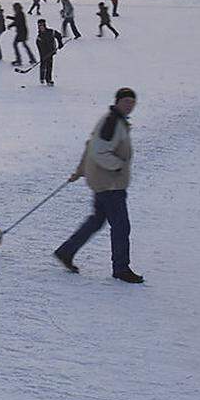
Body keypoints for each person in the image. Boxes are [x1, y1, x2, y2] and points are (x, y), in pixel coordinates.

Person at [54, 88, 143, 284]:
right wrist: (118, 166)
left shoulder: (115, 120)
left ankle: (66, 251)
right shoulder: (111, 123)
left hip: (103, 181)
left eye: (132, 102)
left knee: (97, 220)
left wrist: (80, 171)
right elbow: (99, 151)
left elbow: (90, 145)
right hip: (109, 184)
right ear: (118, 102)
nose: (129, 106)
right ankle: (121, 269)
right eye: (126, 102)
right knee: (120, 227)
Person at [34, 20, 64, 86]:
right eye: (40, 26)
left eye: (42, 26)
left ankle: (48, 79)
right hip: (43, 53)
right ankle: (42, 77)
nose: (41, 28)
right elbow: (39, 48)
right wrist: (43, 55)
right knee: (43, 64)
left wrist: (60, 43)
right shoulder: (39, 37)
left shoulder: (51, 32)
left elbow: (58, 35)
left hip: (51, 52)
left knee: (49, 66)